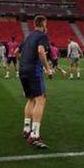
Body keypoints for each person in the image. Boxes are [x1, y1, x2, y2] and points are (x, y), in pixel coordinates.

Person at [18, 15, 53, 149]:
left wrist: (25, 63)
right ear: (43, 24)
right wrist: (48, 69)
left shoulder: (28, 36)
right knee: (41, 99)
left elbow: (17, 52)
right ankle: (35, 134)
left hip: (23, 70)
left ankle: (27, 129)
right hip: (34, 70)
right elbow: (40, 51)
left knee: (31, 99)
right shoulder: (42, 36)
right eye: (46, 24)